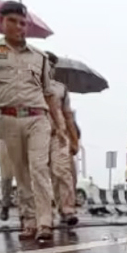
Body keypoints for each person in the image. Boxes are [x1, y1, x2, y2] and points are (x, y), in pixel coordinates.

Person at [0, 1, 65, 241]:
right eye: (13, 22)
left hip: (38, 118)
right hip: (8, 119)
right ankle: (28, 221)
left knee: (39, 168)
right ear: (2, 22)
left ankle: (45, 222)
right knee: (21, 173)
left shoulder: (39, 57)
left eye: (23, 23)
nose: (19, 27)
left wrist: (59, 126)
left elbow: (49, 94)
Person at [45, 51, 78, 226]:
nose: (48, 67)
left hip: (59, 136)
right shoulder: (30, 86)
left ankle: (67, 210)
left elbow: (68, 116)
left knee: (62, 171)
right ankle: (43, 214)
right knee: (41, 175)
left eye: (51, 65)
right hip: (36, 135)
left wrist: (74, 140)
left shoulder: (60, 88)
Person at [0, 136, 14, 221]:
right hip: (5, 135)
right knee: (6, 173)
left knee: (24, 174)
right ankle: (5, 206)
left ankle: (26, 212)